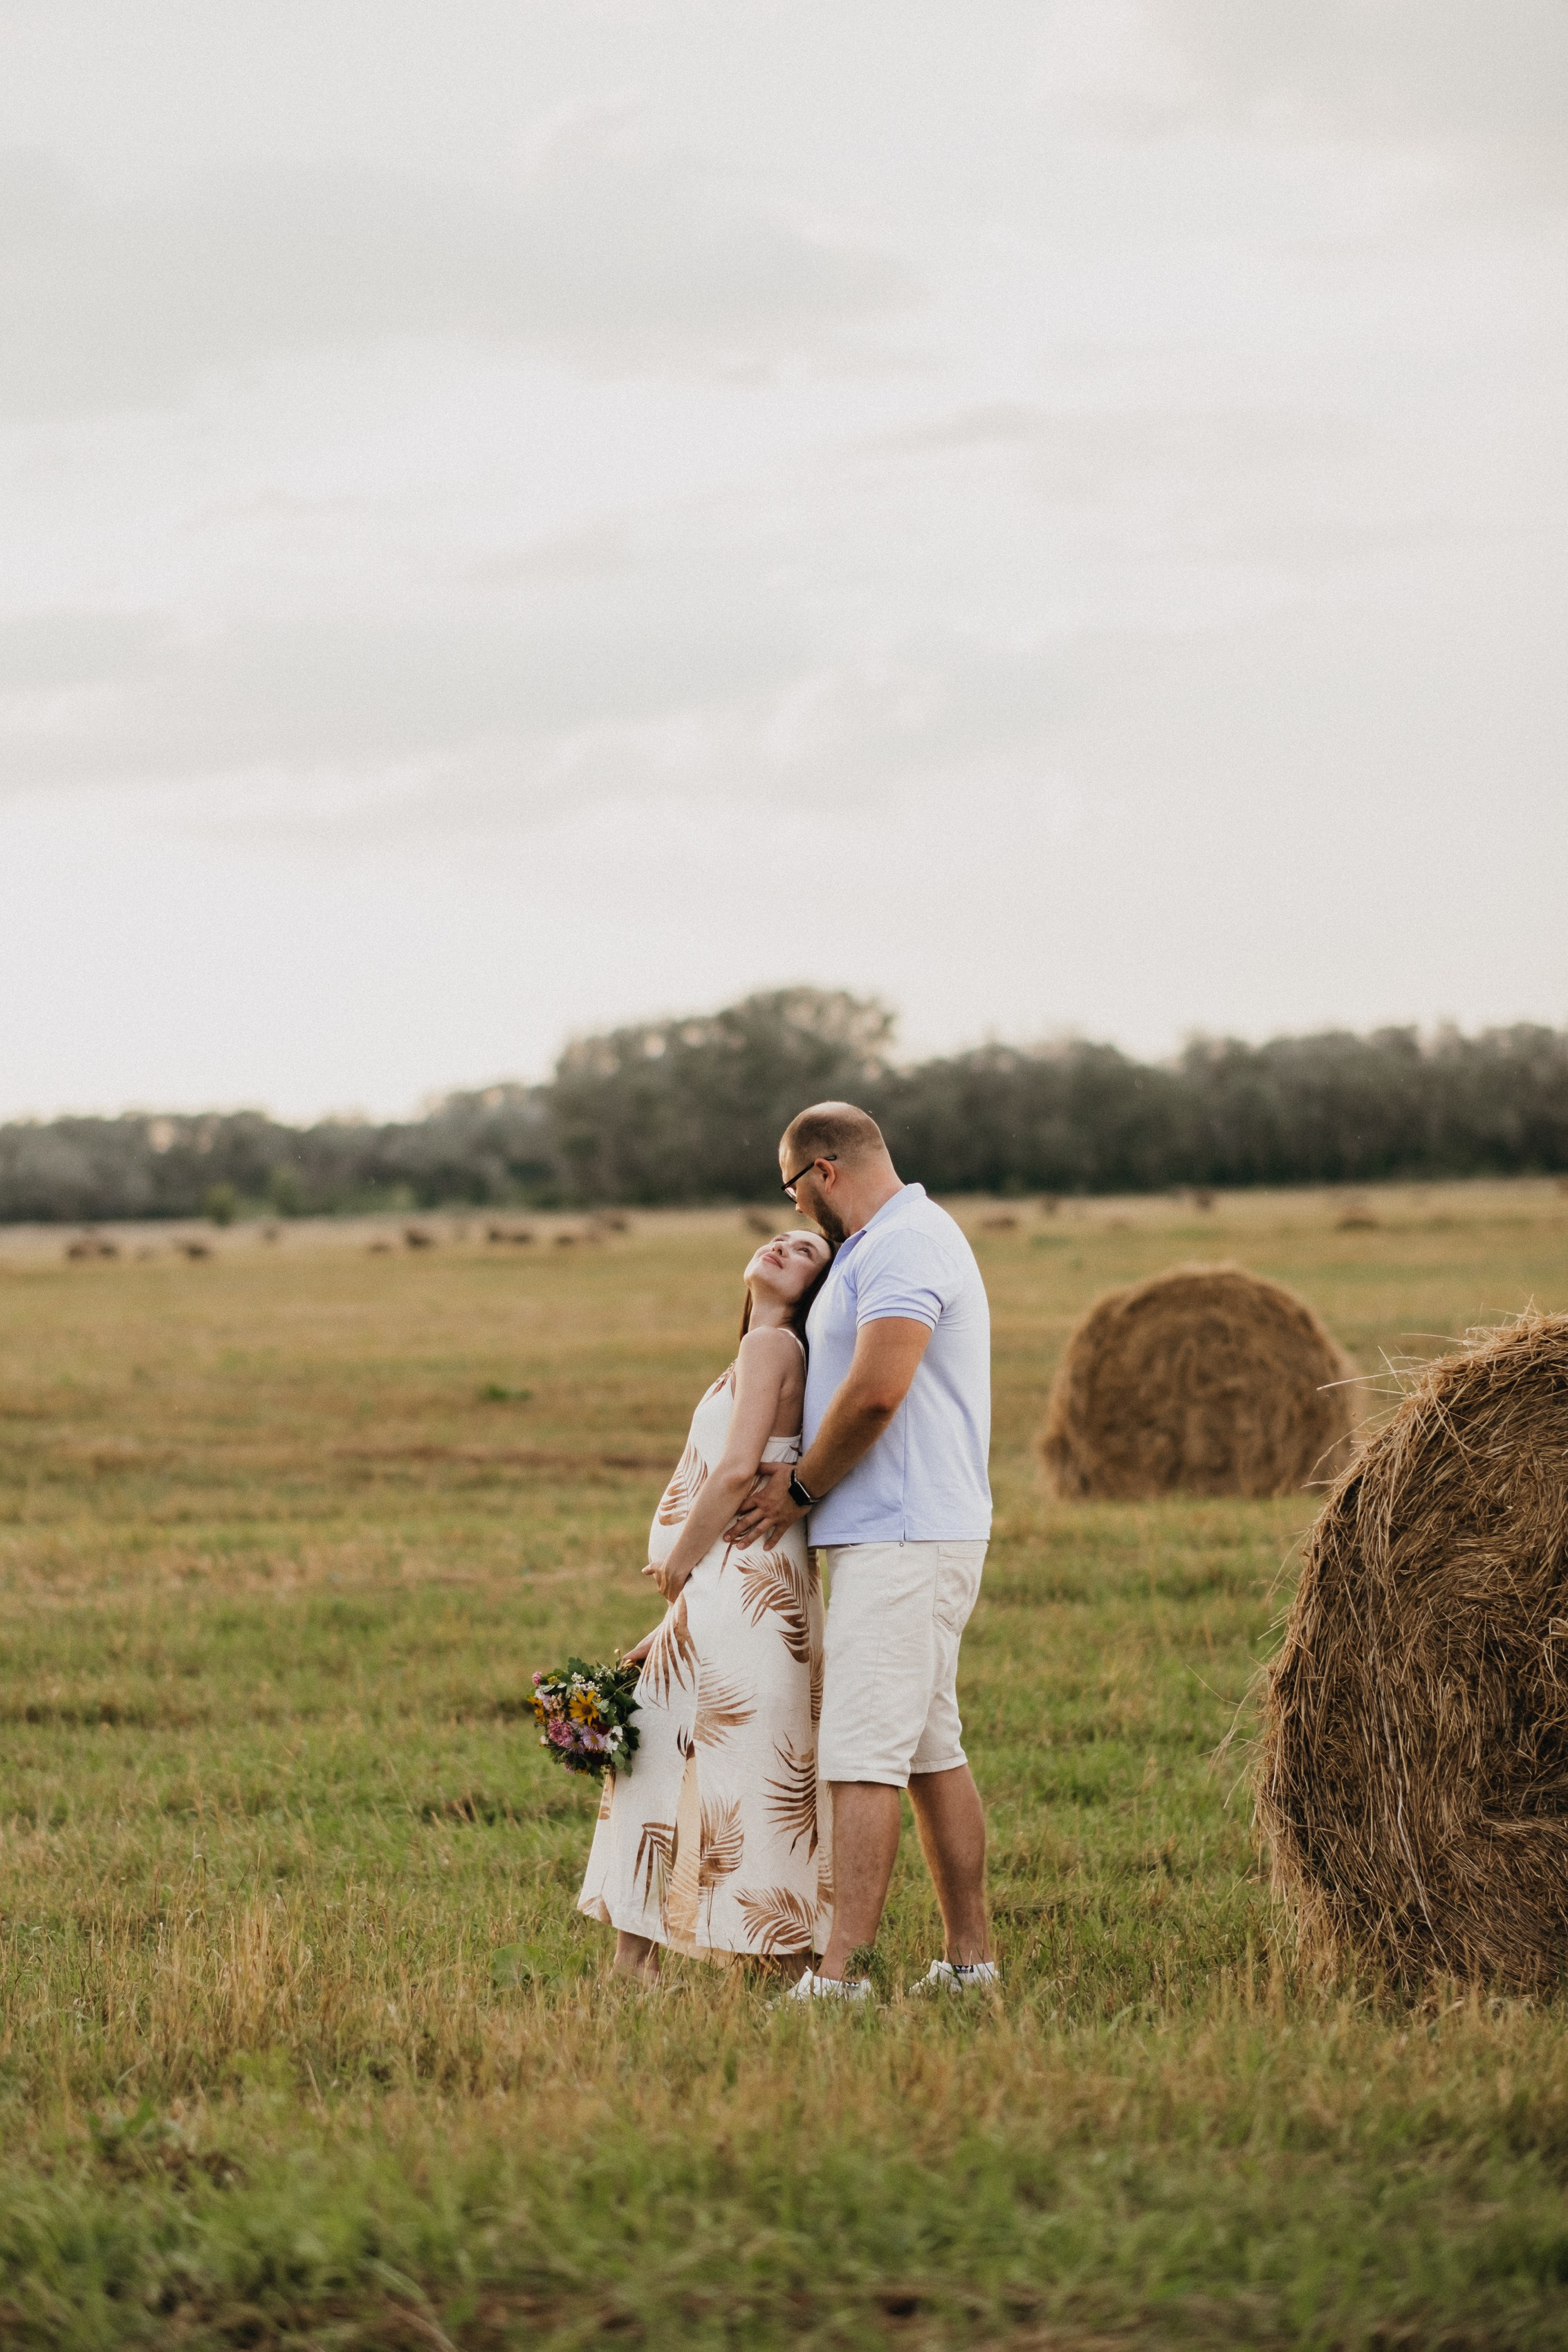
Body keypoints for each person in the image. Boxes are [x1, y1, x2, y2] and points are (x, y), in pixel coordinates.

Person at [728, 1102, 995, 2001]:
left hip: (904, 1533)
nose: (795, 1209)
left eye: (791, 1189)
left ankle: (840, 1977)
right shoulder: (877, 1246)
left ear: (822, 1172)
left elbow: (880, 1389)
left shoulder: (903, 1245)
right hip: (899, 1531)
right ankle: (969, 1966)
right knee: (926, 1749)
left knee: (861, 1753)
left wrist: (800, 1488)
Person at [578, 1226, 836, 1981]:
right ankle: (670, 1960)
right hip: (742, 1587)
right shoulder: (767, 1350)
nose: (783, 1245)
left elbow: (732, 1473)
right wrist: (672, 1620)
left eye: (806, 1251)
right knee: (726, 1756)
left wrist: (677, 1565)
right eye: (780, 1237)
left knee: (690, 1759)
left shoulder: (772, 1346)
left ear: (814, 1292)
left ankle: (703, 1962)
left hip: (737, 1582)